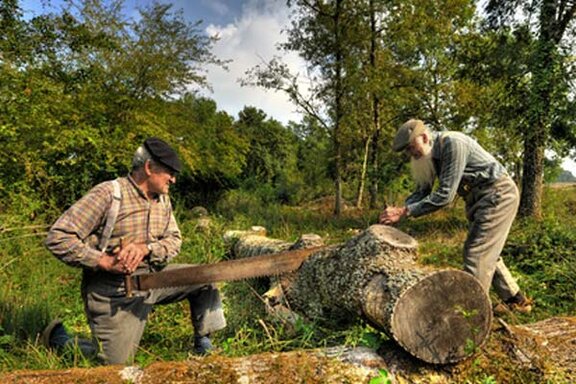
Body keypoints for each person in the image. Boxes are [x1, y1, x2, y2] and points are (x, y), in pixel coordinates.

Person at [44, 137, 226, 364]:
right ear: (149, 168)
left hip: (153, 278)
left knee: (206, 276)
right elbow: (57, 237)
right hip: (114, 292)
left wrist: (147, 249)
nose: (174, 179)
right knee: (113, 367)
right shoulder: (108, 194)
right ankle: (59, 339)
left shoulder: (163, 200)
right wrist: (104, 261)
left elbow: (174, 240)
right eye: (170, 172)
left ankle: (203, 343)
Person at [380, 119, 532, 313]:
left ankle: (472, 314)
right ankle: (517, 302)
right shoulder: (427, 156)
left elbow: (445, 195)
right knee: (486, 251)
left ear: (424, 137)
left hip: (497, 194)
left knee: (476, 252)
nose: (411, 154)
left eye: (411, 148)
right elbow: (422, 192)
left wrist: (405, 212)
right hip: (478, 199)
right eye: (407, 152)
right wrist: (399, 211)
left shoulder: (453, 144)